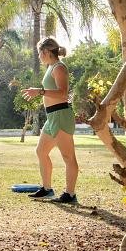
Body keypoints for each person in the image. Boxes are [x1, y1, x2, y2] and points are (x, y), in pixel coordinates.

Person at [21, 37, 79, 203]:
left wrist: (40, 91)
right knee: (41, 151)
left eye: (40, 53)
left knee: (69, 158)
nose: (39, 56)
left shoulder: (59, 67)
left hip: (61, 115)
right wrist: (40, 92)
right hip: (52, 117)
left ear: (45, 52)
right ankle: (47, 189)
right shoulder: (51, 67)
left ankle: (70, 194)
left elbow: (63, 93)